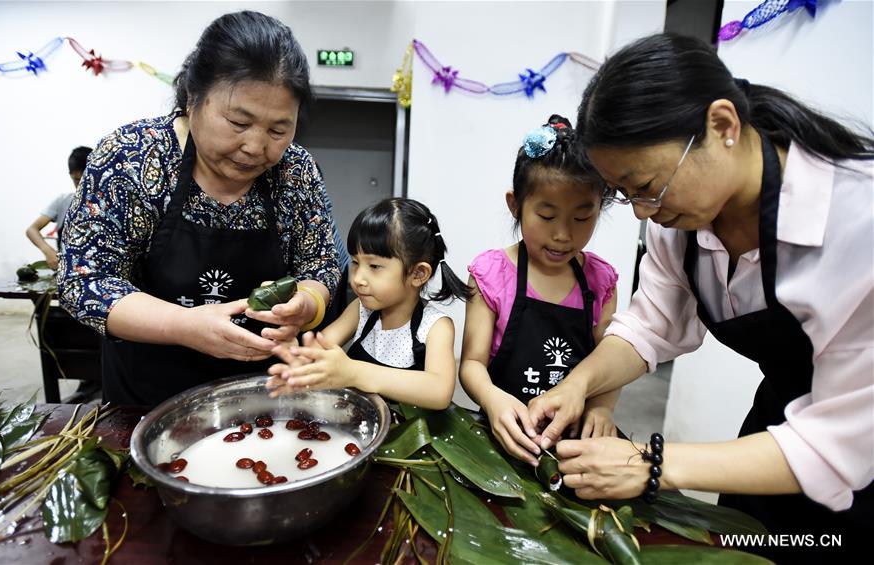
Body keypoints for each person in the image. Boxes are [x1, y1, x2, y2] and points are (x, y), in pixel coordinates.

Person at [527, 33, 873, 558]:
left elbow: (838, 444)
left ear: (723, 126)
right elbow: (651, 324)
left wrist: (652, 465)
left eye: (648, 186)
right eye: (625, 194)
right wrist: (579, 384)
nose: (642, 211)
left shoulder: (857, 223)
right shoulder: (680, 221)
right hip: (769, 439)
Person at [58, 11, 344, 407]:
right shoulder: (131, 158)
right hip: (148, 400)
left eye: (278, 130)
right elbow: (85, 280)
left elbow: (321, 263)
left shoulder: (296, 171)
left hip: (264, 399)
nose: (256, 147)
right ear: (193, 97)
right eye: (238, 122)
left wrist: (307, 304)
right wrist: (183, 324)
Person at [459, 115, 620, 467]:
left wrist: (602, 408)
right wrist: (492, 400)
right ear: (515, 205)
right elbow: (471, 364)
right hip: (506, 432)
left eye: (582, 218)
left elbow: (612, 358)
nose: (563, 235)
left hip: (572, 443)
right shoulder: (491, 275)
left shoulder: (600, 281)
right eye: (547, 216)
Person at [265, 198, 471, 410]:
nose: (357, 278)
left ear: (418, 274)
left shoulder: (435, 326)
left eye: (374, 266)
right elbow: (321, 346)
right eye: (355, 262)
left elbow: (438, 392)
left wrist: (354, 372)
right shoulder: (361, 309)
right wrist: (302, 361)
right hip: (359, 419)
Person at [25, 146, 92, 270]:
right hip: (68, 271)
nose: (82, 186)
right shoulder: (63, 201)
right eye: (77, 180)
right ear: (71, 175)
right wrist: (48, 251)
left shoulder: (109, 205)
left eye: (87, 180)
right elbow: (32, 230)